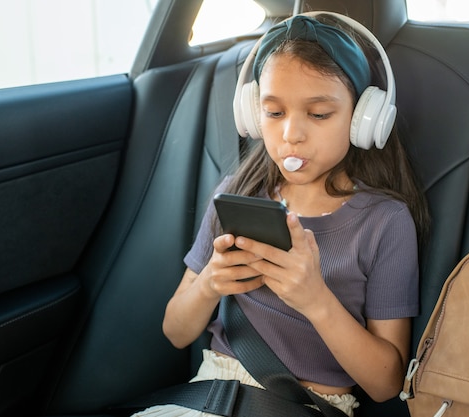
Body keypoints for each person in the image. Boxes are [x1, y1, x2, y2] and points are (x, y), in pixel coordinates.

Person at [135, 12, 429, 417]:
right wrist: (210, 284)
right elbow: (176, 331)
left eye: (319, 114)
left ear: (364, 118)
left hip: (308, 406)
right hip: (209, 394)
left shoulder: (385, 222)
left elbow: (385, 385)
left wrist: (315, 300)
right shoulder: (237, 192)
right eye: (274, 113)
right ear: (254, 114)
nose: (292, 134)